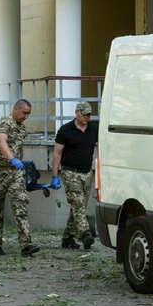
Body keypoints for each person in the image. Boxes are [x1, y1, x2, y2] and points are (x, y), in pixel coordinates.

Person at [0, 99, 40, 257]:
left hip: (14, 173)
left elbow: (19, 147)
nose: (26, 117)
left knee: (20, 205)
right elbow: (1, 141)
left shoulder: (22, 129)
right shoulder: (4, 123)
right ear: (16, 109)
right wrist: (12, 158)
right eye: (24, 113)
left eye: (28, 114)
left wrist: (19, 162)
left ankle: (26, 244)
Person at [49, 101, 98, 250]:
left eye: (89, 114)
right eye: (85, 114)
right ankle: (84, 234)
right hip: (70, 172)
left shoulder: (93, 129)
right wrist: (54, 175)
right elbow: (57, 153)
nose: (87, 117)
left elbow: (100, 148)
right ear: (77, 112)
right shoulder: (66, 130)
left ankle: (67, 238)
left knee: (79, 206)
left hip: (87, 173)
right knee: (77, 202)